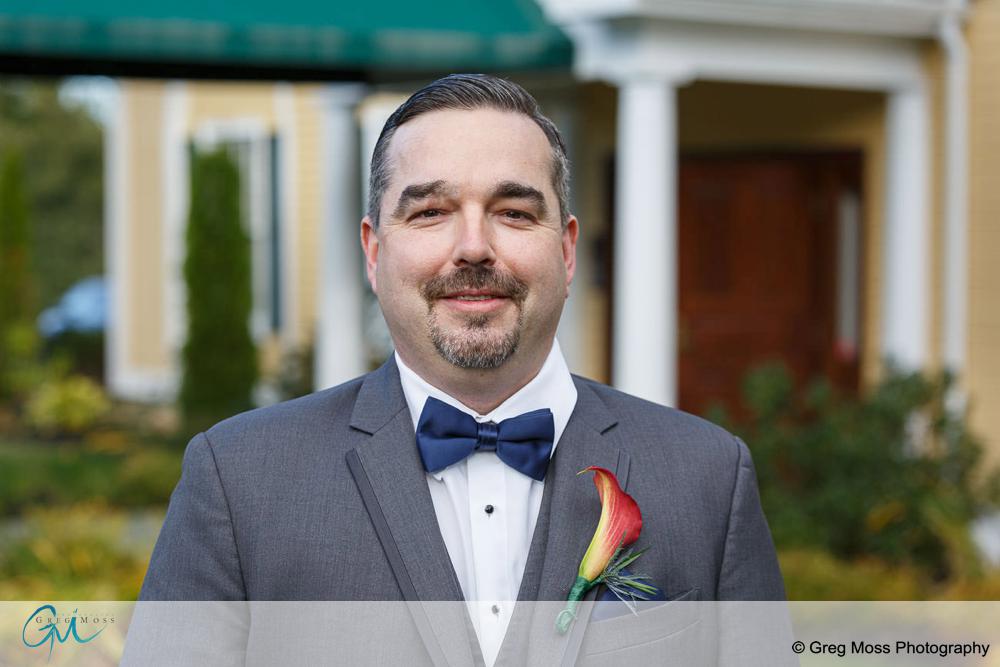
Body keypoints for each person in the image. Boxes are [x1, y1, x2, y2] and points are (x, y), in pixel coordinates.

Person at [135, 73, 785, 666]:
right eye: (430, 211)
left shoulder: (709, 478)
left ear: (565, 250)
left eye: (513, 212)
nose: (474, 246)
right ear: (374, 250)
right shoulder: (237, 480)